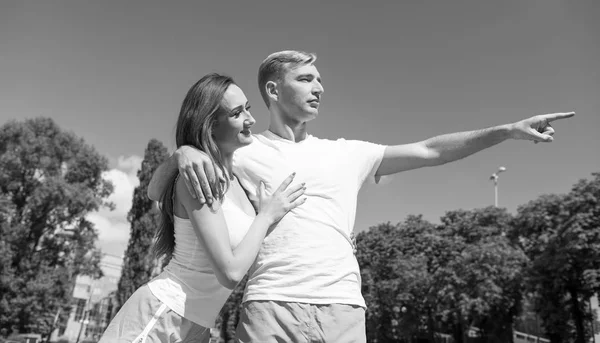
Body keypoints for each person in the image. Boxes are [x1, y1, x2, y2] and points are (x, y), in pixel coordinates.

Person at [148, 50, 575, 343]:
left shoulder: (349, 152)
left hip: (343, 308)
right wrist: (183, 152)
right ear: (274, 91)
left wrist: (507, 130)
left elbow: (430, 150)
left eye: (320, 80)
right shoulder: (242, 147)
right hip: (270, 305)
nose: (319, 88)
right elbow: (156, 189)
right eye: (306, 79)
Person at [99, 73, 306, 343]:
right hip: (164, 316)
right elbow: (230, 273)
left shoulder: (238, 185)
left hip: (198, 327)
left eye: (248, 108)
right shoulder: (202, 178)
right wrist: (266, 216)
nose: (251, 120)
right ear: (210, 127)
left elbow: (251, 248)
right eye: (236, 113)